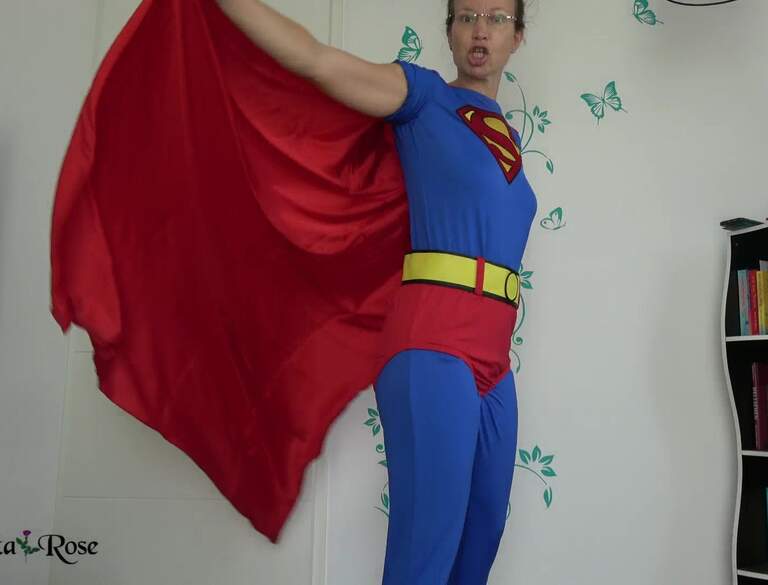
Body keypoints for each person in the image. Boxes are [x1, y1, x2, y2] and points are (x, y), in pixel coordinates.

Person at [215, 1, 537, 583]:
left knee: (479, 543)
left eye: (497, 18)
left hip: (494, 358)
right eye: (466, 16)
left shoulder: (509, 139)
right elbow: (314, 59)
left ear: (518, 37)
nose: (481, 29)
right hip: (432, 342)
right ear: (449, 31)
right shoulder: (424, 97)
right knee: (426, 551)